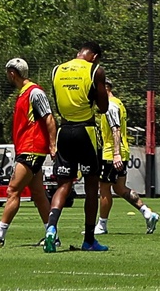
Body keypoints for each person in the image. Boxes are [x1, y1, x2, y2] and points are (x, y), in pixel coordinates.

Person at [0, 58, 58, 247]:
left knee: (13, 190)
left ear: (12, 73)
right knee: (38, 194)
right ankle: (52, 234)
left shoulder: (34, 92)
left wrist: (53, 146)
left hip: (32, 149)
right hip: (28, 148)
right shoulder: (23, 94)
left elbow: (49, 118)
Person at [43, 42, 111, 253]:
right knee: (92, 187)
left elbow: (56, 101)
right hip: (87, 132)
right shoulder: (95, 70)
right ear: (95, 56)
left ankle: (51, 229)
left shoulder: (57, 70)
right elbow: (103, 106)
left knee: (63, 185)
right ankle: (89, 240)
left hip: (64, 130)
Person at [94, 79, 159, 235]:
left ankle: (102, 225)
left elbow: (115, 130)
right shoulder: (119, 103)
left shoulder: (109, 106)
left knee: (104, 189)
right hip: (122, 152)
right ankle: (147, 213)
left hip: (112, 153)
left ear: (105, 88)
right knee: (120, 188)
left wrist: (115, 154)